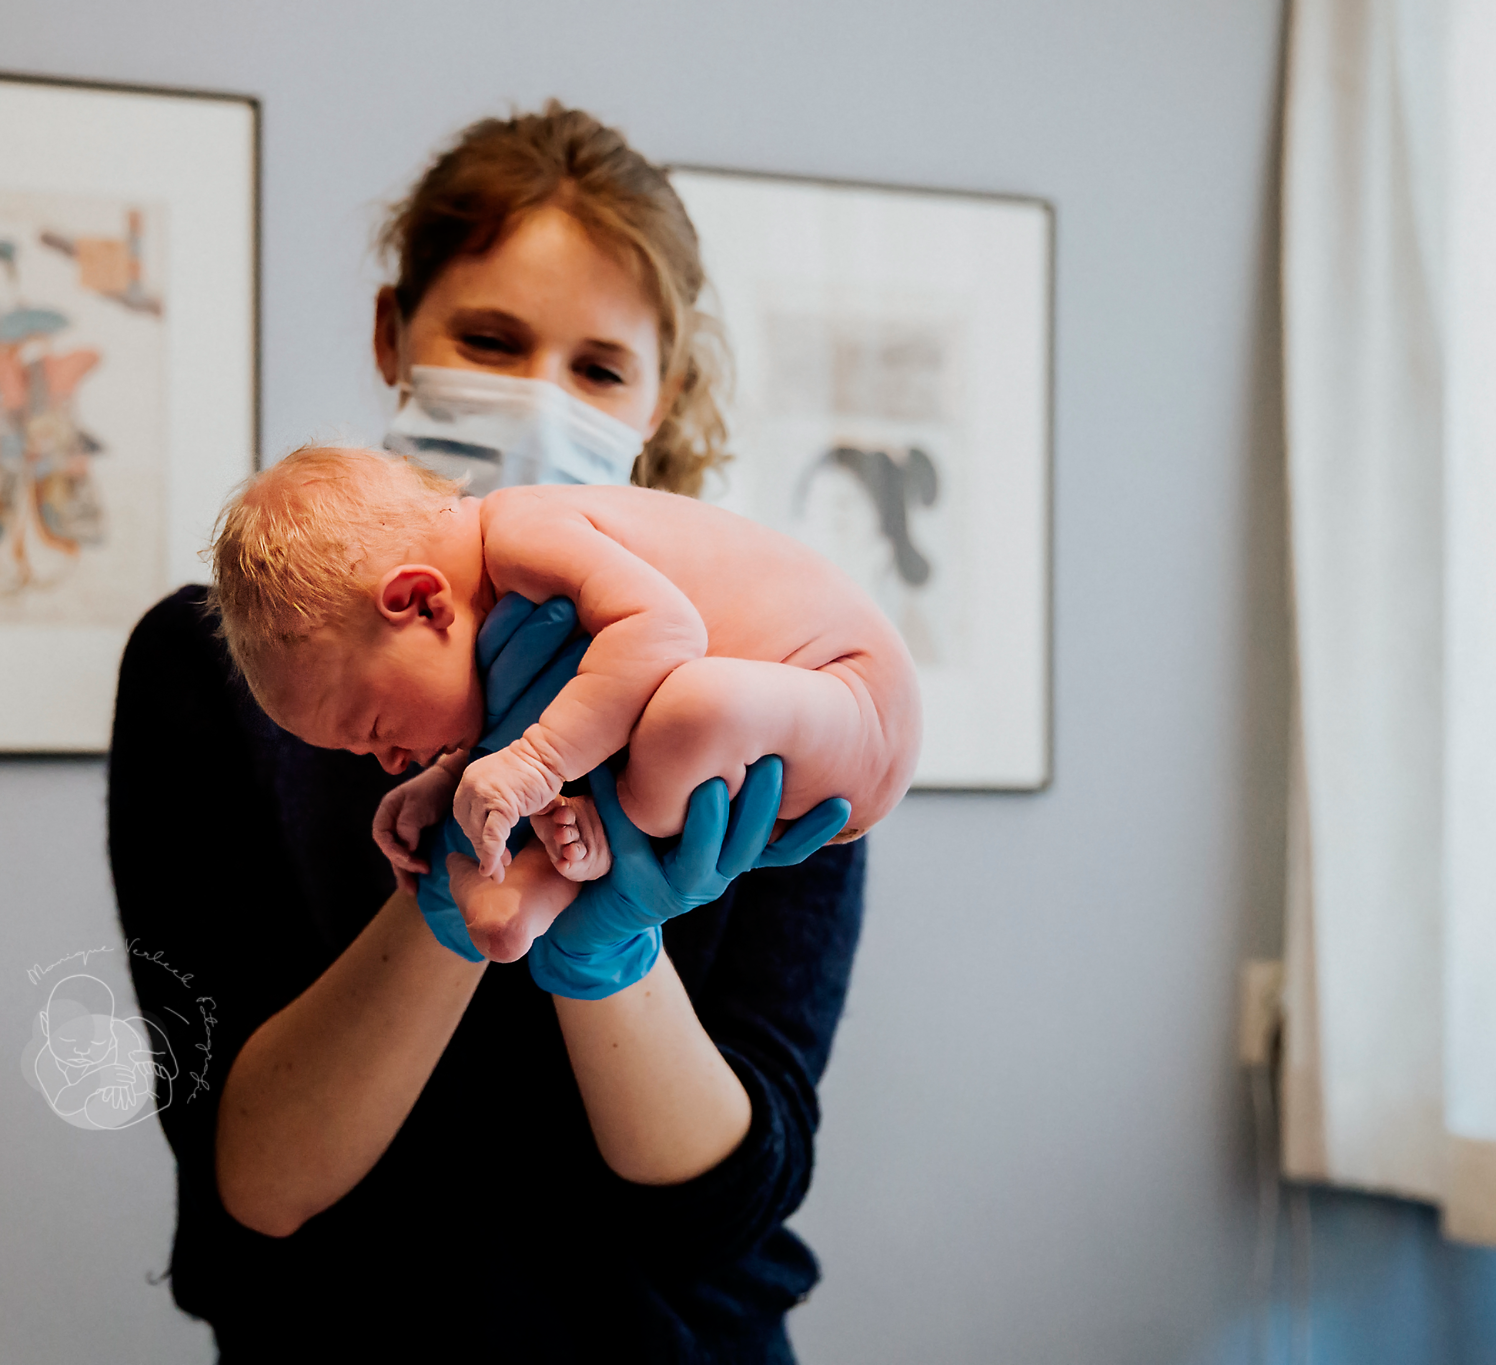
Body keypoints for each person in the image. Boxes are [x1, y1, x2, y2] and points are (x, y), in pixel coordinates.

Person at [110, 104, 884, 1361]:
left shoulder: (755, 665)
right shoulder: (217, 670)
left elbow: (726, 1208)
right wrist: (452, 896)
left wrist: (603, 950)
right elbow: (253, 1184)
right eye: (488, 340)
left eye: (598, 369)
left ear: (658, 399)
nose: (536, 399)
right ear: (391, 334)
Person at [205, 446, 920, 965]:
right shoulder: (500, 607)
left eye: (376, 728)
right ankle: (527, 892)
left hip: (852, 697)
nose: (387, 763)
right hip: (780, 719)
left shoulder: (525, 533)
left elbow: (666, 632)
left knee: (690, 710)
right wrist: (452, 779)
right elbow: (588, 695)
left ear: (421, 603)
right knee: (672, 717)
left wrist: (536, 764)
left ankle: (554, 872)